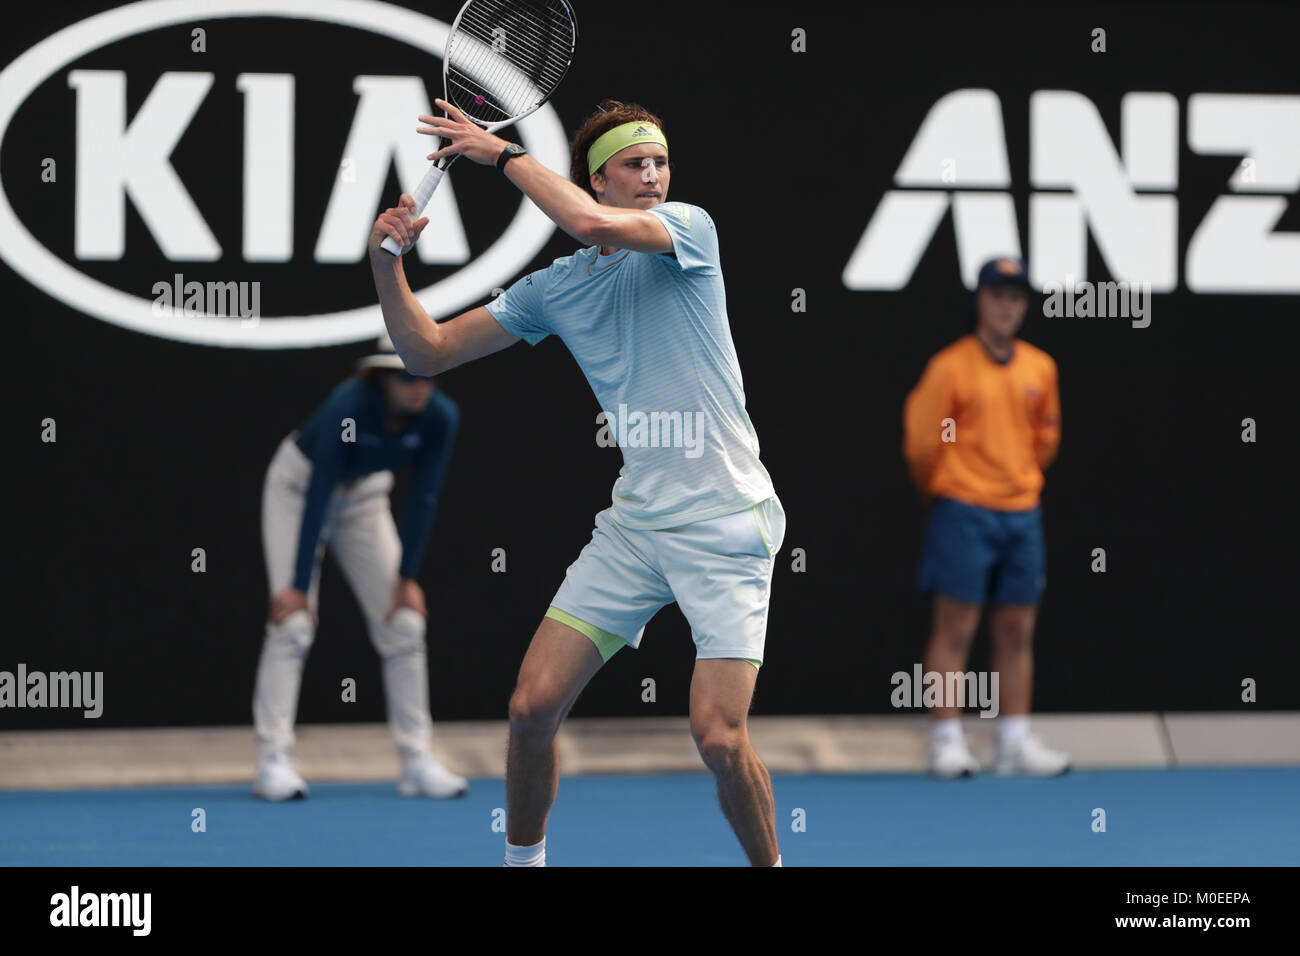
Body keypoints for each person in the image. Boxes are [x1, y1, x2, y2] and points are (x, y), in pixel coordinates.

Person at [368, 99, 787, 866]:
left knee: (718, 735)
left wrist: (498, 155)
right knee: (530, 709)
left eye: (660, 161)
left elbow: (593, 226)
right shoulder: (554, 290)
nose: (654, 175)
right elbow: (427, 352)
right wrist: (387, 263)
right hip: (635, 526)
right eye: (636, 163)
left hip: (727, 520)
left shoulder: (688, 231)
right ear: (600, 177)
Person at [252, 336, 468, 800]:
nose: (418, 386)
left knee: (406, 623)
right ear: (380, 378)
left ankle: (415, 761)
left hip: (365, 501)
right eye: (406, 375)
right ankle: (273, 759)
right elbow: (320, 486)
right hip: (298, 490)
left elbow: (423, 498)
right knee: (291, 624)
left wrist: (407, 577)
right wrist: (295, 585)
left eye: (426, 374)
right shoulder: (347, 404)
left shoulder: (441, 418)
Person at [903, 256, 1070, 778]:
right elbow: (923, 446)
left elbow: (1044, 438)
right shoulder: (951, 367)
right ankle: (946, 739)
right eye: (998, 294)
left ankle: (1013, 741)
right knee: (955, 627)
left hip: (1021, 513)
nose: (1007, 305)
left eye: (1016, 296)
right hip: (963, 511)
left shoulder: (1040, 368)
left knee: (1018, 628)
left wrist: (1015, 479)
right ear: (981, 299)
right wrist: (952, 490)